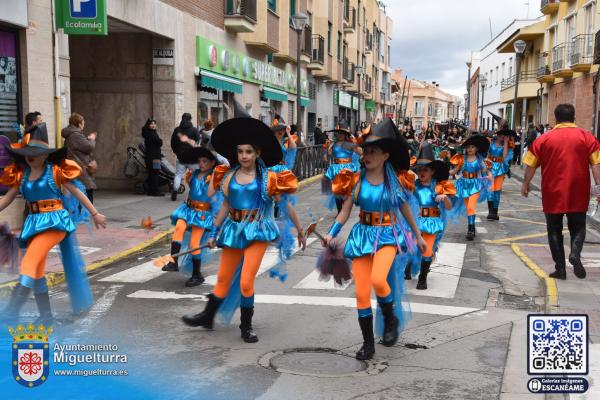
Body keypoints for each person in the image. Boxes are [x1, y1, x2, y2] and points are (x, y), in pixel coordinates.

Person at [182, 109, 306, 343]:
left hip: (257, 230)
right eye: (240, 152)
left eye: (249, 151)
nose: (244, 156)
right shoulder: (228, 176)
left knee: (246, 280)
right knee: (222, 278)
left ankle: (246, 326)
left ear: (258, 153)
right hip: (234, 229)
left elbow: (286, 205)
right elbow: (226, 205)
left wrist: (299, 229)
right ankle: (207, 316)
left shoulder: (269, 178)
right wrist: (214, 232)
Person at [323, 118, 427, 361]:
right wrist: (331, 232)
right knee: (361, 293)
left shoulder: (395, 182)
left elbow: (405, 210)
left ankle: (390, 318)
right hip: (362, 235)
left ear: (385, 156)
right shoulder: (356, 180)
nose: (367, 155)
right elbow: (345, 211)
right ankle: (368, 343)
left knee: (379, 279)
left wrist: (419, 236)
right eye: (366, 150)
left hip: (388, 234)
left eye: (373, 151)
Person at [0, 123, 107, 324]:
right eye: (27, 152)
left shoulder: (55, 171)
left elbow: (77, 192)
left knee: (30, 260)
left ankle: (13, 309)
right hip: (33, 224)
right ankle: (46, 317)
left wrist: (95, 213)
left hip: (55, 222)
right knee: (37, 270)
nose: (30, 156)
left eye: (36, 152)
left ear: (45, 155)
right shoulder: (21, 175)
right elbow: (5, 200)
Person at [522, 104, 600, 280]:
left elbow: (531, 165)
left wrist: (525, 184)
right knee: (578, 226)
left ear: (555, 118)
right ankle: (575, 253)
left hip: (552, 190)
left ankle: (560, 269)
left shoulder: (543, 139)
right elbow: (596, 165)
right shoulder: (587, 138)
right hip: (578, 189)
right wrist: (599, 187)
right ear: (574, 117)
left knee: (554, 229)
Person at [163, 147, 220, 287]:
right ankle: (173, 261)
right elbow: (192, 188)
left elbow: (215, 198)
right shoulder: (194, 174)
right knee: (178, 228)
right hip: (188, 209)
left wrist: (215, 221)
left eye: (205, 161)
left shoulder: (212, 178)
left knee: (195, 243)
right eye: (199, 161)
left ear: (212, 163)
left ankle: (197, 275)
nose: (201, 164)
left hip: (202, 214)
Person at [406, 143, 456, 290]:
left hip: (432, 222)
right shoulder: (414, 185)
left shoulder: (439, 186)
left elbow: (448, 207)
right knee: (411, 247)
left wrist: (444, 197)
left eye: (425, 170)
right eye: (419, 169)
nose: (421, 172)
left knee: (427, 250)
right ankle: (408, 266)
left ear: (432, 171)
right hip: (416, 221)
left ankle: (422, 277)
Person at [449, 134, 491, 240]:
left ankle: (471, 229)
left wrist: (487, 171)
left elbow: (484, 171)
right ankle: (471, 226)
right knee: (468, 208)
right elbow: (454, 171)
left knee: (471, 207)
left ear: (476, 148)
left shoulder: (479, 159)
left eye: (472, 147)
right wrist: (441, 171)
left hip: (475, 184)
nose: (470, 149)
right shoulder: (462, 159)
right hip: (464, 184)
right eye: (468, 147)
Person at [322, 119, 363, 213]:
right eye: (338, 133)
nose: (339, 135)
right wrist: (325, 151)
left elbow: (361, 152)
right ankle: (340, 211)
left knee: (345, 191)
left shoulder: (349, 144)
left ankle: (344, 209)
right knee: (336, 190)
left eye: (341, 133)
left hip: (346, 169)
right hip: (336, 169)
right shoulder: (334, 144)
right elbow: (328, 154)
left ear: (345, 134)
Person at [61, 113, 97, 203]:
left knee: (82, 195)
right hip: (80, 169)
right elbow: (89, 147)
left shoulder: (73, 134)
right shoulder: (75, 135)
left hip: (77, 168)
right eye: (83, 123)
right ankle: (87, 215)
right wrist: (91, 139)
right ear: (79, 123)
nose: (84, 125)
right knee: (86, 196)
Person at [486, 128, 514, 221]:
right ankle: (490, 212)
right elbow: (486, 154)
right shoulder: (491, 143)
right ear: (498, 135)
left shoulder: (505, 145)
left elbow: (505, 156)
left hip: (500, 169)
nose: (503, 137)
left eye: (505, 136)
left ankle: (495, 212)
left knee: (497, 191)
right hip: (490, 167)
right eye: (502, 135)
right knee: (490, 190)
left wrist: (506, 142)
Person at [170, 113, 200, 201]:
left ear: (182, 119)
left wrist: (177, 153)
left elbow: (173, 143)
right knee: (197, 175)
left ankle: (175, 190)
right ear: (190, 119)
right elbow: (198, 141)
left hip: (181, 157)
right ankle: (196, 193)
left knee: (178, 175)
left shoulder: (177, 130)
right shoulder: (194, 130)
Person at [141, 118, 164, 196]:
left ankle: (151, 191)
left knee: (152, 173)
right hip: (154, 157)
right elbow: (159, 142)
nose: (153, 125)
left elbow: (158, 142)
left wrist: (159, 141)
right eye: (151, 124)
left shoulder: (148, 133)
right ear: (148, 125)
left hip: (151, 156)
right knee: (155, 173)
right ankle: (155, 191)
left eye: (154, 124)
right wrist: (160, 141)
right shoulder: (150, 134)